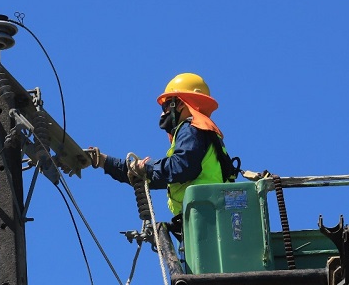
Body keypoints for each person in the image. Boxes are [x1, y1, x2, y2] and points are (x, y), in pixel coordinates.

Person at [87, 73, 238, 235]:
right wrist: (101, 161)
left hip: (204, 217)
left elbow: (180, 167)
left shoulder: (192, 128)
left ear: (180, 104)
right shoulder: (205, 135)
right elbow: (154, 176)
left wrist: (147, 168)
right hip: (206, 216)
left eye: (165, 107)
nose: (162, 114)